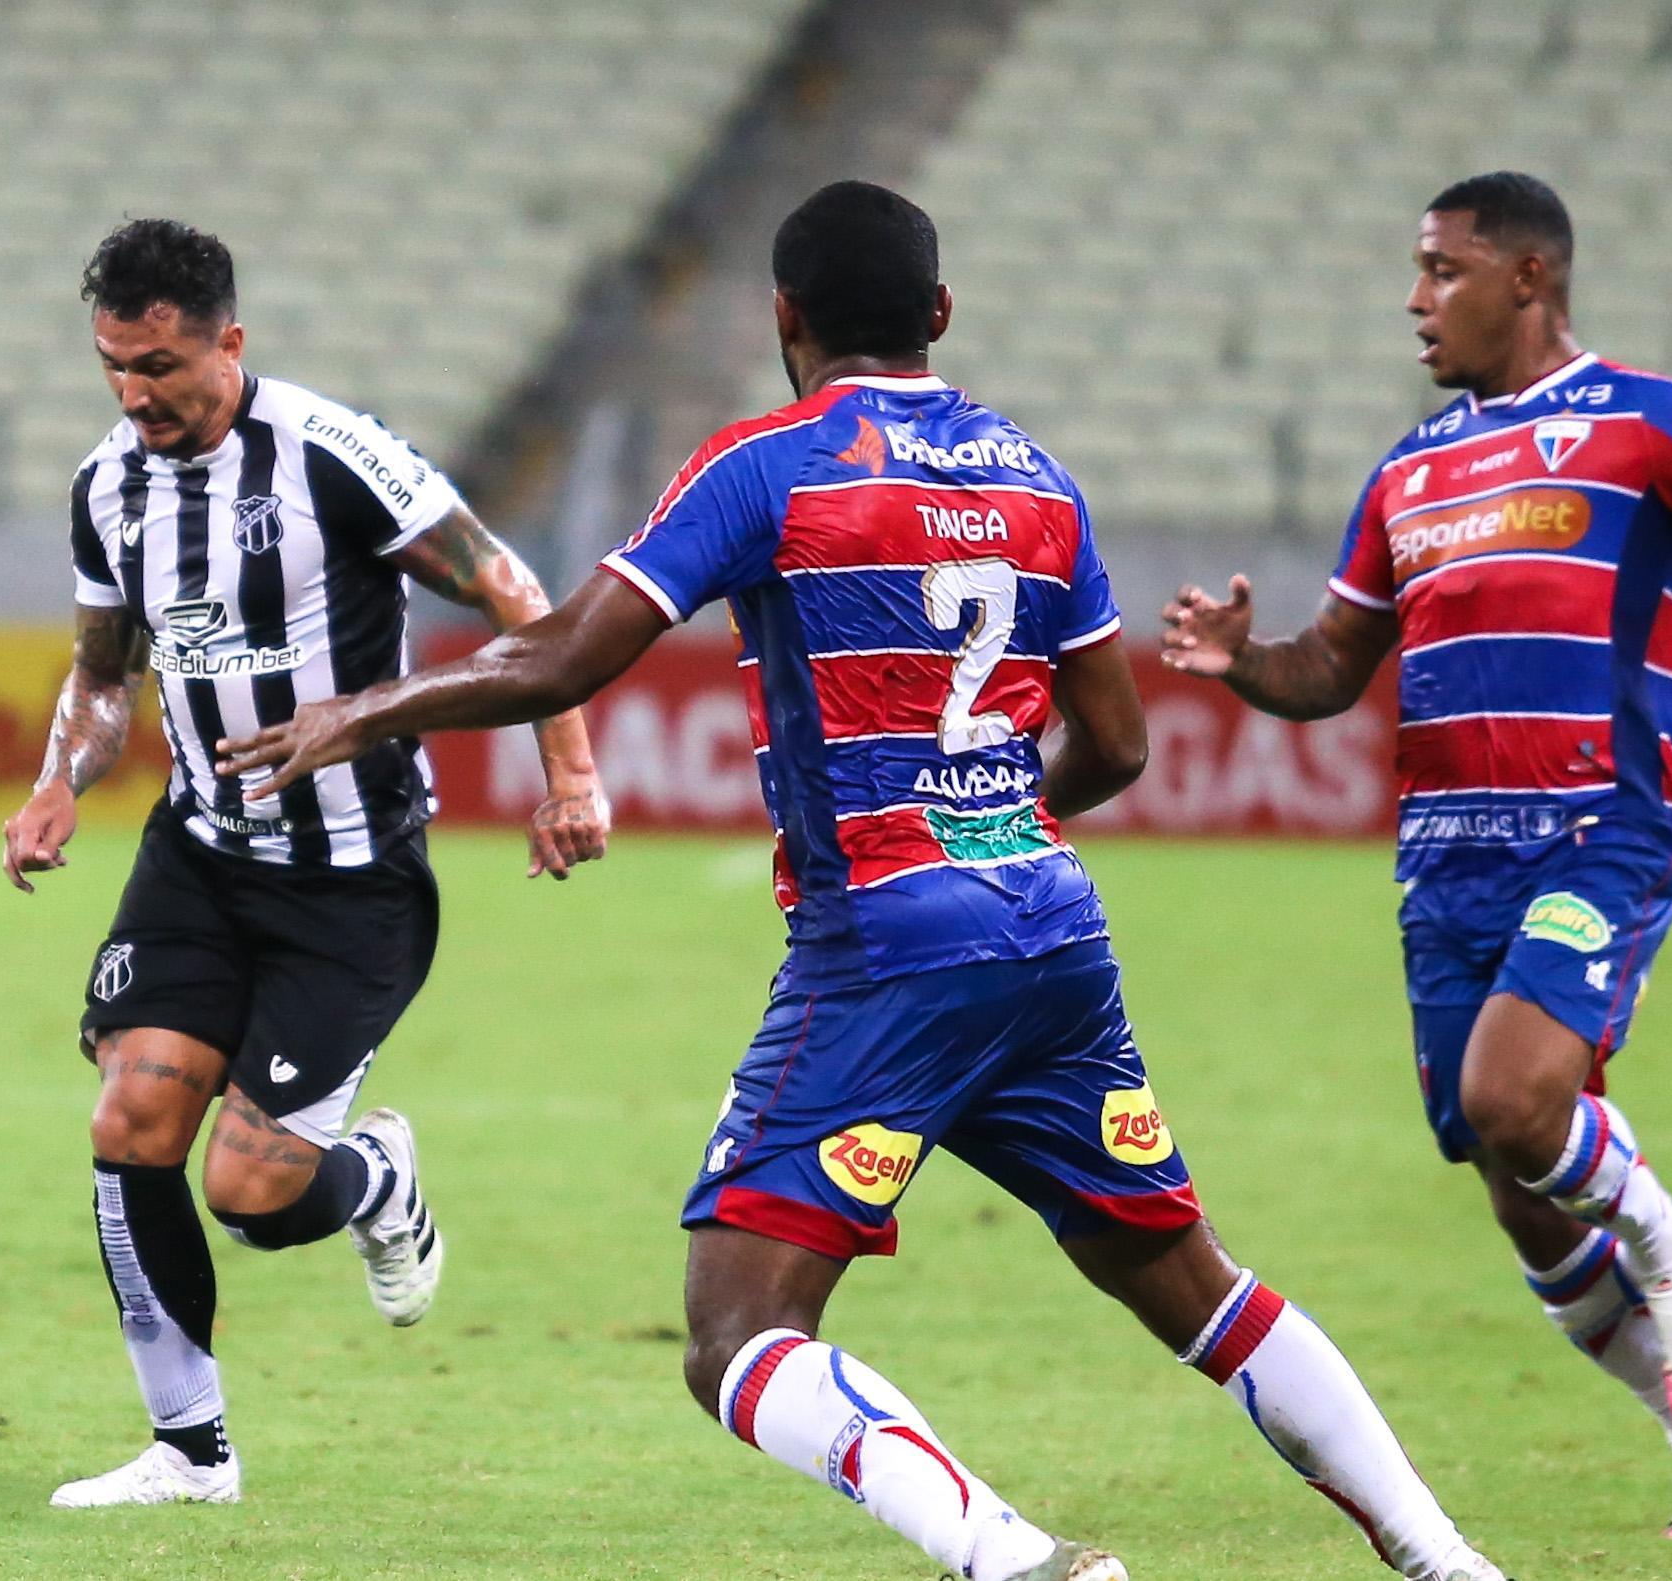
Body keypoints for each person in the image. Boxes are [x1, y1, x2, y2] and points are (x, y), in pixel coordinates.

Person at [220, 181, 1503, 1581]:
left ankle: (1017, 1561)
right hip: (1049, 931)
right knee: (1193, 1285)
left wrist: (365, 709)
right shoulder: (1036, 477)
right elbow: (1120, 746)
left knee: (736, 1335)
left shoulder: (765, 466)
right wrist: (991, 818)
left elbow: (564, 656)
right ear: (938, 311)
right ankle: (1447, 1557)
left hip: (887, 945)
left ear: (784, 314)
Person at [1159, 171, 1672, 1541]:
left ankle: (1670, 1235)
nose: (1415, 298)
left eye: (1441, 269)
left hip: (1597, 826)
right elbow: (1331, 666)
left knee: (1514, 1100)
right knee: (1519, 1196)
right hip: (1444, 860)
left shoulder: (1645, 421)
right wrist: (1240, 661)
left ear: (1528, 278)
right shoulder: (1408, 469)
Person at [0, 219, 610, 1509]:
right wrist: (61, 778)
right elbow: (103, 678)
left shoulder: (331, 456)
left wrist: (569, 774)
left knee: (254, 1197)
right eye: (113, 365)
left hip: (350, 878)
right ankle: (189, 1453)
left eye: (160, 365)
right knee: (129, 1121)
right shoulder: (106, 486)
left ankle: (375, 1176)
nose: (134, 394)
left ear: (229, 341)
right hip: (200, 856)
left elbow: (516, 595)